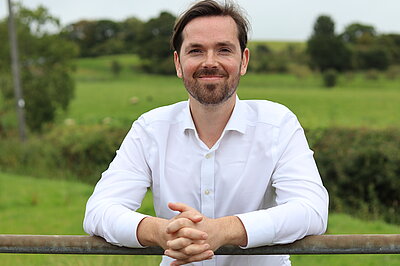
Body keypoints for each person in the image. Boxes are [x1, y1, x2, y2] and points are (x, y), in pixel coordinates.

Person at [83, 0, 329, 265]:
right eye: (196, 51)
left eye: (224, 50)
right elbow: (99, 211)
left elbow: (311, 210)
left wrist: (224, 230)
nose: (210, 62)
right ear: (178, 63)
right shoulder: (150, 128)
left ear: (243, 61)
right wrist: (160, 232)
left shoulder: (278, 124)